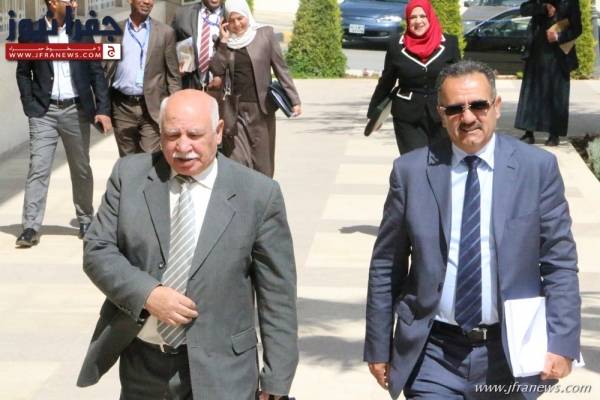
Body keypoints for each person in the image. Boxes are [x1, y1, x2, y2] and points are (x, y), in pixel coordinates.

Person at [364, 60, 580, 399]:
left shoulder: (537, 169)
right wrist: (378, 346)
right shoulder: (411, 172)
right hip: (432, 354)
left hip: (509, 353)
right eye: (455, 109)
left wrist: (562, 341)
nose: (467, 118)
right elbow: (386, 265)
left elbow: (559, 263)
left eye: (478, 105)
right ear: (441, 113)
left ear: (496, 106)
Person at [76, 89, 298, 400]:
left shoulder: (258, 194)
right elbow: (98, 250)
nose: (182, 147)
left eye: (194, 135)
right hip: (143, 367)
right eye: (172, 135)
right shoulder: (130, 176)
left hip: (224, 372)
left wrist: (277, 379)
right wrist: (148, 294)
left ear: (218, 132)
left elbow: (277, 293)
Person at [15, 0, 111, 247]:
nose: (75, 4)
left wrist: (102, 109)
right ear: (53, 3)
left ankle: (85, 219)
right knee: (38, 168)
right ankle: (30, 226)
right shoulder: (31, 33)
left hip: (75, 110)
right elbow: (23, 73)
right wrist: (30, 105)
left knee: (81, 168)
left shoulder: (82, 33)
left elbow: (96, 73)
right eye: (70, 0)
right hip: (43, 112)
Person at [210, 0, 301, 178]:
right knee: (237, 160)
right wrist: (223, 41)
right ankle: (241, 193)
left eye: (240, 18)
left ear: (247, 15)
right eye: (232, 20)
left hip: (261, 109)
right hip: (233, 110)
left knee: (263, 163)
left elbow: (281, 69)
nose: (237, 24)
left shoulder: (265, 35)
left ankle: (263, 193)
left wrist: (294, 99)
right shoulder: (224, 42)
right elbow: (217, 70)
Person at [367, 0, 460, 154]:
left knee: (442, 161)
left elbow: (459, 79)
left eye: (422, 16)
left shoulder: (450, 43)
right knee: (414, 162)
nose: (418, 21)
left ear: (430, 17)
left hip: (442, 115)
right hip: (407, 116)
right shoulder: (396, 45)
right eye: (413, 17)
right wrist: (374, 114)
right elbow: (386, 81)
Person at [104, 0, 181, 156]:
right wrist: (102, 107)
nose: (147, 2)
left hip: (152, 108)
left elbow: (173, 76)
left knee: (149, 158)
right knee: (127, 160)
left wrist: (175, 109)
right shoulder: (113, 31)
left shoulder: (165, 33)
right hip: (122, 107)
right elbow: (104, 70)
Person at [515, 0, 582, 146]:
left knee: (556, 94)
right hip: (536, 52)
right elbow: (524, 9)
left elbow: (577, 28)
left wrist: (559, 37)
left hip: (558, 55)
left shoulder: (570, 2)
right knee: (532, 93)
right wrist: (543, 7)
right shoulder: (540, 2)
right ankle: (528, 132)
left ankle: (554, 134)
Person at [171, 0, 224, 93]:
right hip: (188, 86)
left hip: (220, 91)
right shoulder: (182, 14)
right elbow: (169, 46)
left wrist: (221, 75)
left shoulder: (232, 16)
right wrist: (175, 66)